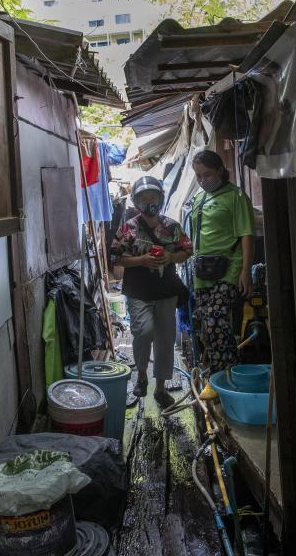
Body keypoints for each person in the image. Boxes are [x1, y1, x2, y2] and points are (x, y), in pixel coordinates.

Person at [110, 176, 192, 407]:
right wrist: (142, 260)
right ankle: (142, 375)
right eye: (143, 198)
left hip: (166, 289)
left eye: (153, 197)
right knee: (143, 332)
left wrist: (171, 257)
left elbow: (187, 250)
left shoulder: (172, 226)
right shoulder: (128, 228)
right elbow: (116, 257)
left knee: (165, 339)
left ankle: (161, 388)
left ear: (161, 198)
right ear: (136, 201)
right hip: (138, 290)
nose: (149, 202)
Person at [188, 150, 256, 373]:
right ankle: (221, 371)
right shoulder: (199, 198)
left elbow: (246, 234)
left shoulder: (236, 197)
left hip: (228, 267)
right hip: (202, 271)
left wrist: (245, 270)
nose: (202, 180)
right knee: (204, 325)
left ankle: (225, 373)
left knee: (216, 319)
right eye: (198, 176)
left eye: (207, 175)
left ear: (219, 170)